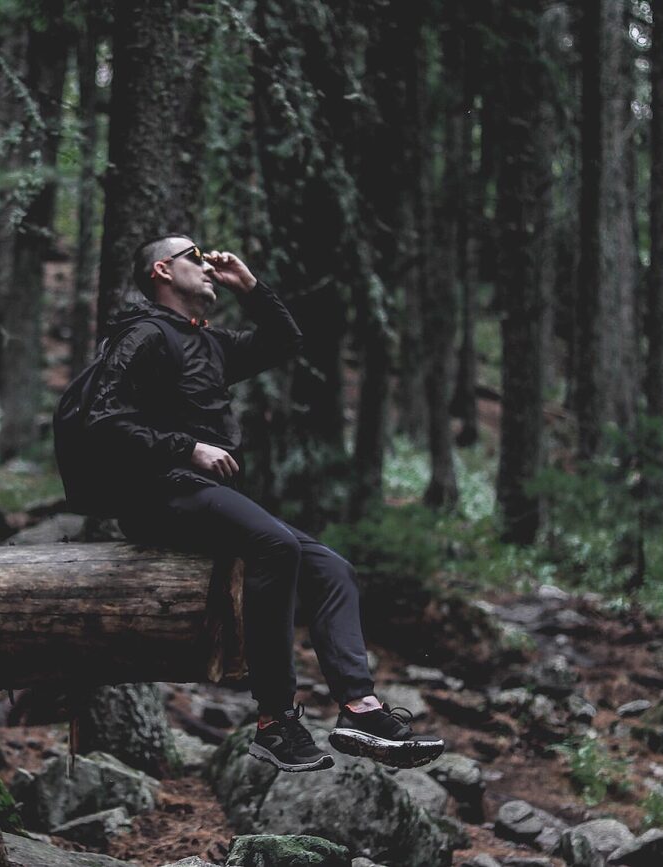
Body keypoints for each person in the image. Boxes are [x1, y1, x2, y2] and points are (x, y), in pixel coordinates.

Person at [81, 233, 445, 772]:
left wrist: (251, 287)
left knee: (331, 569)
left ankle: (359, 707)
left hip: (206, 496)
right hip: (157, 496)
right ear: (162, 270)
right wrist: (189, 448)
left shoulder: (206, 342)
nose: (207, 266)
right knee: (276, 546)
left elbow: (284, 340)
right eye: (194, 257)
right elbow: (102, 421)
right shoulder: (143, 337)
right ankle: (276, 720)